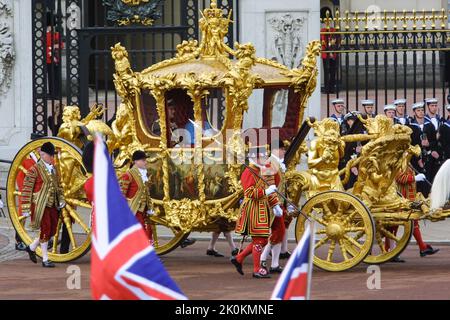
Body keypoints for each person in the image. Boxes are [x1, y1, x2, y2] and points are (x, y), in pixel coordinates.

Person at [231, 144, 283, 278]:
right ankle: (256, 269)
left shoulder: (264, 171)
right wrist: (266, 191)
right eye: (263, 156)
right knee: (260, 240)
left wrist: (275, 205)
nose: (265, 158)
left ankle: (239, 258)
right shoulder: (248, 172)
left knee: (262, 240)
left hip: (263, 208)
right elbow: (249, 192)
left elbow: (270, 191)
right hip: (253, 209)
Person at [22, 142, 65, 268]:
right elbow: (27, 188)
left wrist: (61, 199)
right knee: (46, 229)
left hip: (53, 204)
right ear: (42, 154)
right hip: (40, 204)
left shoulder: (55, 169)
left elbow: (59, 187)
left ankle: (31, 247)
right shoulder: (34, 169)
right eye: (49, 155)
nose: (51, 157)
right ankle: (45, 258)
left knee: (52, 229)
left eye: (52, 155)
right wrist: (25, 207)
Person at [395, 166, 440, 259]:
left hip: (410, 198)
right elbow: (400, 178)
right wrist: (415, 178)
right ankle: (388, 249)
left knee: (414, 223)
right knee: (393, 226)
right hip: (402, 198)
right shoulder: (400, 163)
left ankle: (422, 247)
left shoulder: (407, 163)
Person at [119, 150, 154, 243]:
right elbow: (122, 194)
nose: (145, 162)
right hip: (134, 209)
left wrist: (149, 207)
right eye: (143, 160)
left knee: (148, 230)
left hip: (144, 210)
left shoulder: (143, 174)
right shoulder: (128, 175)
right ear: (136, 161)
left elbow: (146, 193)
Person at [409, 102, 438, 196]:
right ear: (414, 112)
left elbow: (435, 141)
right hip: (416, 158)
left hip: (428, 156)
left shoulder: (429, 125)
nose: (421, 112)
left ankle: (428, 196)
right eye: (418, 110)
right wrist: (417, 159)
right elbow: (409, 145)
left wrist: (429, 144)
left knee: (428, 178)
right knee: (418, 180)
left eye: (422, 110)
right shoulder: (410, 126)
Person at [320, 7, 339, 93]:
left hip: (333, 53)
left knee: (333, 71)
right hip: (325, 53)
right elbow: (323, 42)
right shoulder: (322, 30)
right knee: (327, 71)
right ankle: (327, 88)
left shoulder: (333, 30)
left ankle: (332, 88)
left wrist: (332, 51)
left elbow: (335, 41)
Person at [46, 13, 63, 98]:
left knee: (56, 77)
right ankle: (52, 93)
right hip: (49, 59)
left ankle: (57, 93)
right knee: (51, 78)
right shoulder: (46, 35)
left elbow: (61, 45)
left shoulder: (57, 34)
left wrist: (55, 46)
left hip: (56, 58)